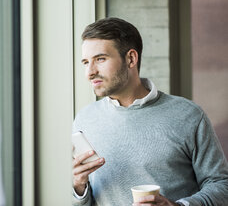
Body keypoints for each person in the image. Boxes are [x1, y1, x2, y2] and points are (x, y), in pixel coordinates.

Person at [72, 17, 228, 206]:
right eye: (85, 62)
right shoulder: (84, 119)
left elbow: (221, 186)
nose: (90, 72)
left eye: (100, 59)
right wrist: (79, 188)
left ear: (131, 58)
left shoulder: (189, 115)